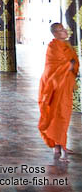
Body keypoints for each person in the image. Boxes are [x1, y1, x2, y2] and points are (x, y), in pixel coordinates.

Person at [38, 23, 79, 161]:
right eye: (61, 30)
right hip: (53, 86)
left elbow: (74, 63)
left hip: (65, 85)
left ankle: (60, 145)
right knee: (57, 115)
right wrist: (69, 65)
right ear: (55, 33)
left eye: (64, 29)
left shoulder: (67, 46)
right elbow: (53, 67)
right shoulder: (52, 47)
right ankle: (60, 147)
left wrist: (71, 65)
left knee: (64, 114)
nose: (65, 31)